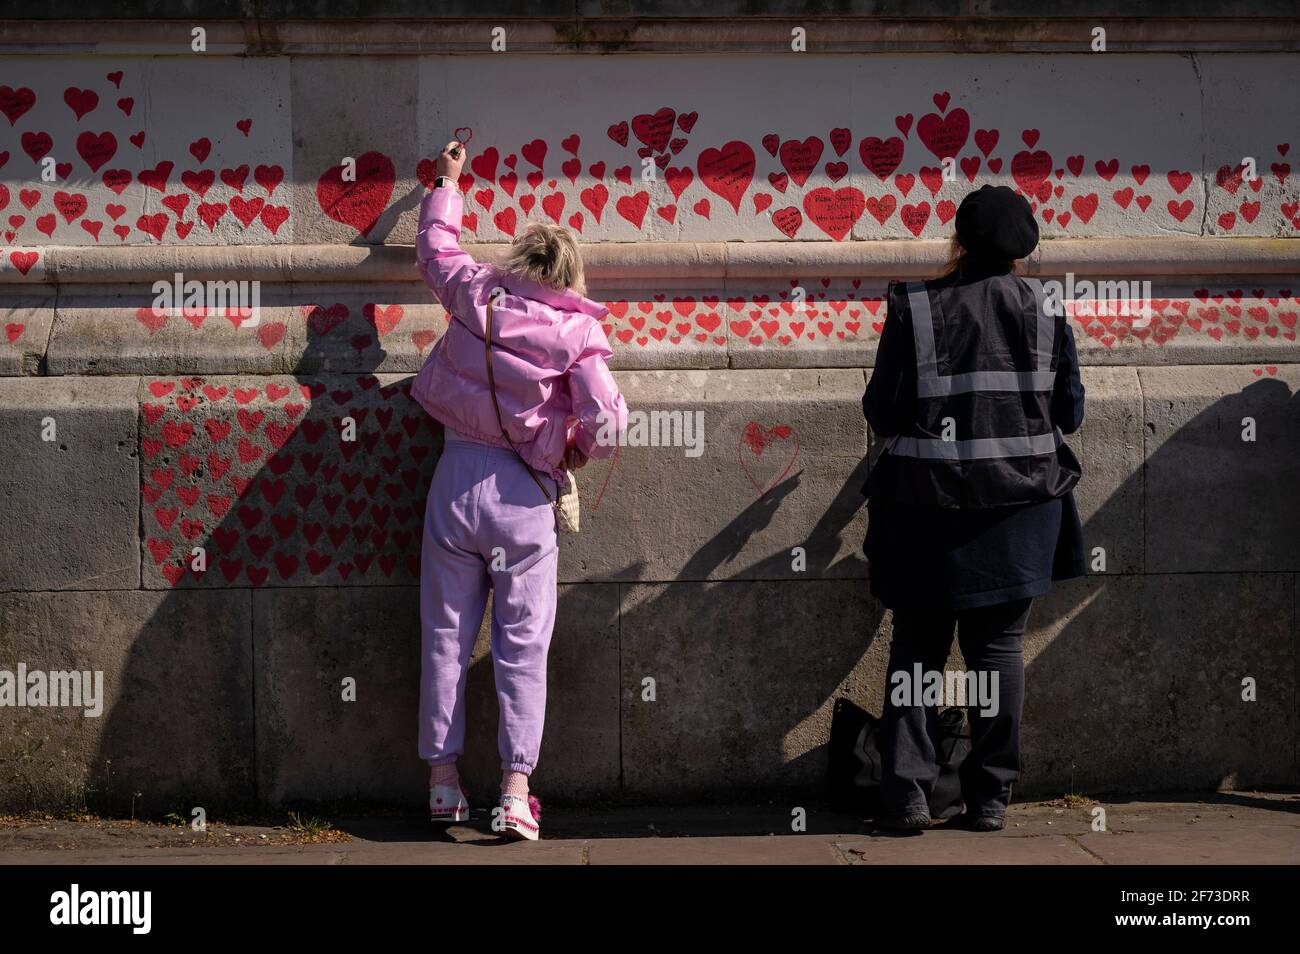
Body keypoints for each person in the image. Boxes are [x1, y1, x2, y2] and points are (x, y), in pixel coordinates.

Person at [411, 139, 627, 841]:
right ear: (572, 276)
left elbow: (436, 251)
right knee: (521, 646)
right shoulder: (576, 334)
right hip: (522, 498)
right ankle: (513, 791)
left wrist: (449, 181)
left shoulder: (479, 296)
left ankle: (443, 784)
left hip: (454, 480)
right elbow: (609, 420)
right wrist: (575, 446)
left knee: (445, 636)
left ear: (519, 264)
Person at [861, 184, 1086, 833]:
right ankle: (989, 799)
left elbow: (884, 410)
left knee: (918, 648)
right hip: (1018, 511)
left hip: (926, 507)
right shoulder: (1048, 307)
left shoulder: (918, 306)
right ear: (1025, 249)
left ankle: (906, 793)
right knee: (998, 650)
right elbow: (1069, 411)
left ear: (958, 240)